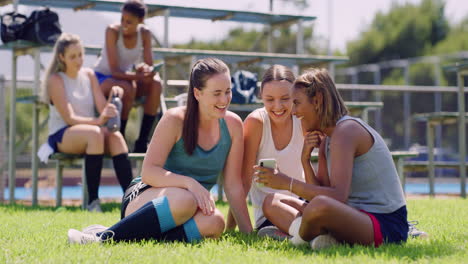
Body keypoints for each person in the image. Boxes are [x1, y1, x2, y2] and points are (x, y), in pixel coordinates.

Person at [68, 58, 253, 244]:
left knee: (215, 222)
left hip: (189, 207)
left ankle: (129, 236)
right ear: (197, 93)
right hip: (145, 198)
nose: (224, 100)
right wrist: (189, 183)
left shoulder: (233, 125)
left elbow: (233, 186)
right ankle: (101, 238)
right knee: (185, 199)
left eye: (228, 92)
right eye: (217, 93)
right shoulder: (174, 119)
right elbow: (148, 172)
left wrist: (248, 234)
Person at [255, 68, 408, 250]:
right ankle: (319, 239)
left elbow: (337, 197)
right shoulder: (329, 137)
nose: (293, 111)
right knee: (272, 201)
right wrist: (306, 160)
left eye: (297, 103)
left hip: (385, 226)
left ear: (317, 100)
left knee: (320, 206)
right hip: (352, 216)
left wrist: (287, 183)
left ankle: (296, 240)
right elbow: (321, 192)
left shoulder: (346, 131)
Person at [41, 33, 133, 212]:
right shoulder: (56, 80)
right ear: (61, 57)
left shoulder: (89, 74)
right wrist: (99, 121)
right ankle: (93, 202)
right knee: (95, 133)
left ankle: (132, 201)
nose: (78, 60)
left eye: (80, 55)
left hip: (91, 132)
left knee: (116, 137)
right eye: (72, 56)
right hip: (62, 134)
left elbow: (102, 108)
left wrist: (114, 96)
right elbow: (69, 118)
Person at [226, 65, 307, 238]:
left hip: (302, 204)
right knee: (272, 203)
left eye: (285, 98)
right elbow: (243, 181)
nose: (278, 106)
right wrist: (230, 230)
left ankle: (296, 235)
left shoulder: (302, 118)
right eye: (270, 99)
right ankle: (300, 234)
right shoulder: (256, 122)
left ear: (295, 96)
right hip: (270, 213)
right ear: (261, 97)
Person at [93, 0, 162, 153]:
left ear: (140, 21)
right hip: (103, 78)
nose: (124, 24)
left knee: (156, 83)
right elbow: (114, 71)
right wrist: (138, 76)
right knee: (127, 87)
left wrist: (144, 69)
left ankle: (142, 140)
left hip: (125, 79)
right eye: (122, 20)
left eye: (129, 22)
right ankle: (119, 137)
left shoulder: (145, 33)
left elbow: (149, 66)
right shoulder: (112, 31)